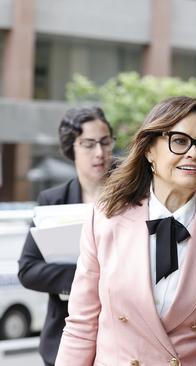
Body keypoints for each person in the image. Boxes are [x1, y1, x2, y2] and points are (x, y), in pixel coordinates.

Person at [55, 97, 196, 366]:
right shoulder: (104, 219)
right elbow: (81, 328)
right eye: (179, 140)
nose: (193, 153)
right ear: (150, 150)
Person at [18, 107, 113, 366]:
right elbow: (28, 269)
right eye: (88, 144)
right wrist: (86, 277)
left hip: (119, 339)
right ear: (71, 148)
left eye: (105, 142)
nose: (99, 153)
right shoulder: (53, 200)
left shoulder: (132, 197)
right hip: (62, 339)